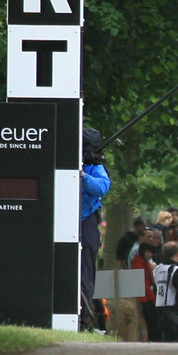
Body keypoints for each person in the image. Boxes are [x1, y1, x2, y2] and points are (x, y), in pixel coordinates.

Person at [80, 126, 111, 330]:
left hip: (86, 221)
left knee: (86, 270)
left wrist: (83, 176)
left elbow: (102, 186)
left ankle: (82, 316)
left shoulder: (93, 166)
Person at [153, 240, 178, 342]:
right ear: (177, 254)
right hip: (174, 310)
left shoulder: (157, 269)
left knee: (165, 339)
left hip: (160, 309)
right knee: (176, 340)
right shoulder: (174, 270)